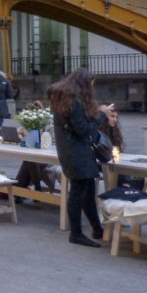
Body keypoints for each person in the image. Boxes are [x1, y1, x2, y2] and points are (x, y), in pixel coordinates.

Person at [46, 68, 112, 248]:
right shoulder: (73, 102)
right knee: (78, 193)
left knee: (88, 192)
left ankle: (97, 228)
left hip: (70, 151)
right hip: (77, 153)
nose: (92, 88)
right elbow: (83, 130)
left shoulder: (64, 99)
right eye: (91, 85)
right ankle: (76, 234)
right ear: (84, 84)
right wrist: (102, 116)